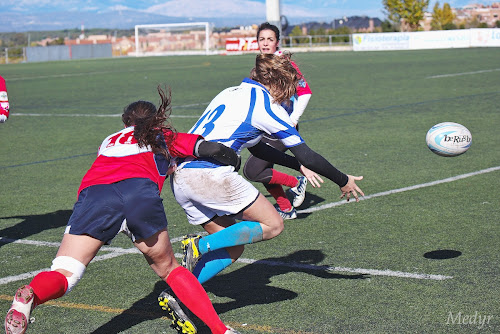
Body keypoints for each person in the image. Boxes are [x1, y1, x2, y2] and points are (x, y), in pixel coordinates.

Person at [4, 85, 241, 334]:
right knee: (170, 269)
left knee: (65, 271)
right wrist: (233, 160)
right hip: (139, 194)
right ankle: (220, 330)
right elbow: (210, 149)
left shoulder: (109, 140)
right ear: (154, 120)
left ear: (125, 121)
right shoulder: (162, 135)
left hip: (96, 196)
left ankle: (31, 296)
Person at [168, 53, 364, 287]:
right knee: (273, 224)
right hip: (208, 176)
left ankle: (179, 294)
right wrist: (342, 180)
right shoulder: (266, 105)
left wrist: (295, 165)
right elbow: (307, 155)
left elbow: (260, 150)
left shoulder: (229, 92)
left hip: (181, 175)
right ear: (280, 83)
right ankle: (198, 246)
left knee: (232, 246)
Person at [243, 22, 314, 220]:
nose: (265, 43)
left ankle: (296, 182)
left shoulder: (285, 63)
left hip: (282, 127)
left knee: (252, 169)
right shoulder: (261, 63)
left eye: (270, 39)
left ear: (277, 42)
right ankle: (286, 208)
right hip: (265, 126)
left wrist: (292, 120)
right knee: (263, 168)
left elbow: (305, 92)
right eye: (262, 39)